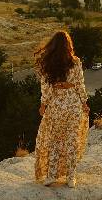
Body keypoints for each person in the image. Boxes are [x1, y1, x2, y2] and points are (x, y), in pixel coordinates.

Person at [34, 31, 89, 188]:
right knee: (72, 140)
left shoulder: (47, 63)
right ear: (68, 45)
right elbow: (80, 83)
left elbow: (46, 87)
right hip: (73, 104)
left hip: (57, 105)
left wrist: (43, 104)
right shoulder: (76, 62)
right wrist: (84, 102)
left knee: (55, 141)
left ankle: (51, 176)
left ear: (52, 45)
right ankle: (71, 178)